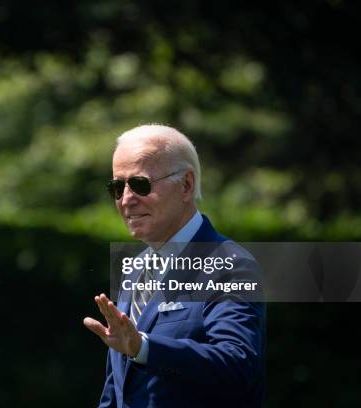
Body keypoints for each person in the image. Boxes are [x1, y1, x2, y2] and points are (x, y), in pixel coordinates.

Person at [83, 124, 265, 407]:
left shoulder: (230, 263)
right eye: (117, 187)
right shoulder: (134, 266)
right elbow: (119, 387)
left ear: (186, 185)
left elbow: (237, 364)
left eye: (140, 184)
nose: (127, 200)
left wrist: (143, 347)